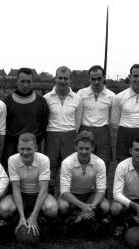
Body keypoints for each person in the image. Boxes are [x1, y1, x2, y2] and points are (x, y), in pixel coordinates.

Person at [0, 133, 58, 236]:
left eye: (29, 149)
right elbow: (15, 189)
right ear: (17, 148)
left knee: (52, 208)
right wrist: (22, 216)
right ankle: (20, 218)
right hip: (21, 194)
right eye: (22, 149)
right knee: (3, 209)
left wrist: (34, 216)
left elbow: (44, 190)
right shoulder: (12, 160)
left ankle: (37, 218)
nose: (25, 152)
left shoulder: (44, 160)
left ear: (36, 148)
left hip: (39, 194)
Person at [44, 66, 83, 194]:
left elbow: (78, 122)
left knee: (69, 167)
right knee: (51, 168)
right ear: (55, 79)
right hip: (51, 136)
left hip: (70, 136)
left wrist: (71, 134)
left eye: (65, 78)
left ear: (70, 80)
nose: (62, 81)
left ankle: (68, 198)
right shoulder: (47, 98)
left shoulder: (77, 98)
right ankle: (48, 196)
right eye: (60, 78)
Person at [58, 131, 110, 226]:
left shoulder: (99, 163)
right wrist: (82, 206)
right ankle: (72, 220)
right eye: (81, 148)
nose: (84, 152)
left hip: (89, 195)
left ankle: (89, 218)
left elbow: (101, 189)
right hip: (71, 194)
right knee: (62, 206)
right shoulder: (67, 162)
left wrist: (92, 206)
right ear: (76, 147)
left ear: (93, 148)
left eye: (87, 148)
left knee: (105, 206)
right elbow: (64, 192)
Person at [1, 68, 49, 170]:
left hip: (34, 147)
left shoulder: (41, 102)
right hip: (12, 147)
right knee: (12, 179)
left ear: (32, 82)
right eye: (22, 81)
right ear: (17, 82)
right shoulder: (7, 101)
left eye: (28, 81)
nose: (25, 85)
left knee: (34, 178)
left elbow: (44, 126)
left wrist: (34, 141)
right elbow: (3, 126)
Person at [77, 65, 115, 175]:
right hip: (85, 129)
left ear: (104, 78)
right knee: (84, 159)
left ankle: (102, 189)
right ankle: (84, 186)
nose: (96, 82)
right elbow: (78, 115)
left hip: (103, 131)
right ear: (89, 79)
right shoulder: (81, 94)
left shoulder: (111, 96)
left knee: (103, 162)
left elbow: (113, 118)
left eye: (99, 78)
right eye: (93, 79)